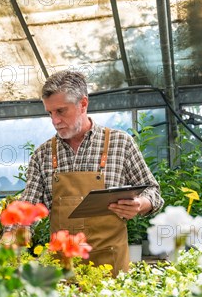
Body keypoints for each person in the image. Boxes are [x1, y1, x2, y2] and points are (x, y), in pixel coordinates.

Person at [20, 70, 164, 275]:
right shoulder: (43, 155)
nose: (54, 120)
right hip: (64, 270)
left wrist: (140, 204)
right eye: (50, 113)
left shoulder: (120, 143)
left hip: (111, 270)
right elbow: (27, 210)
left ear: (83, 104)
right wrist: (12, 240)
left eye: (61, 111)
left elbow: (153, 192)